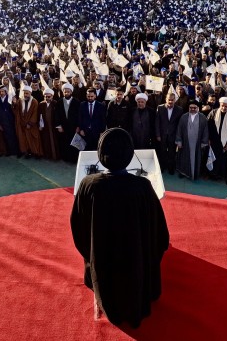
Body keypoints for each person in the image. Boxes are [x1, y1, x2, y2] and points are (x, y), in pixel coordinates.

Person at [70, 128, 169, 328]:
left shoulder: (89, 185)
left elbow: (78, 227)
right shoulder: (142, 187)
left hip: (103, 260)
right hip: (136, 262)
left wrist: (90, 257)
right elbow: (159, 231)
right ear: (130, 154)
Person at [175, 100, 209, 180]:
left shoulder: (203, 117)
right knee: (184, 158)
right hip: (185, 143)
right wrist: (179, 141)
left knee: (196, 159)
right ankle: (183, 172)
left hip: (197, 144)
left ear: (198, 108)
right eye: (191, 107)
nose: (193, 109)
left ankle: (195, 173)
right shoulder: (184, 117)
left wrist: (204, 142)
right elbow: (179, 129)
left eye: (195, 108)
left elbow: (205, 131)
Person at [155, 92, 183, 175]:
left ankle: (171, 168)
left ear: (175, 100)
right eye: (169, 100)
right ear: (166, 99)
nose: (170, 101)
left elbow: (179, 125)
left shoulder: (179, 110)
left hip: (173, 135)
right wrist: (158, 135)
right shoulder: (160, 108)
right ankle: (162, 167)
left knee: (172, 152)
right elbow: (157, 122)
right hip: (162, 135)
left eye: (172, 100)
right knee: (162, 152)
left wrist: (178, 137)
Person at [206, 97, 227, 180]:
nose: (224, 108)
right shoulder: (213, 112)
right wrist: (208, 139)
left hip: (224, 142)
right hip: (213, 140)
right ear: (220, 105)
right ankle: (210, 174)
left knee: (221, 159)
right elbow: (207, 127)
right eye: (222, 106)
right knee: (211, 157)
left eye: (226, 106)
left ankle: (219, 175)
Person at [15, 85, 42, 159]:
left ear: (30, 93)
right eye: (24, 93)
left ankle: (36, 153)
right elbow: (16, 111)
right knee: (24, 140)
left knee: (34, 139)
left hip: (31, 125)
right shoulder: (20, 101)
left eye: (27, 93)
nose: (25, 95)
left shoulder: (34, 101)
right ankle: (27, 153)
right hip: (22, 124)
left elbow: (35, 114)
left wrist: (30, 123)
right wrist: (14, 104)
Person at [38, 88, 60, 160]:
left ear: (52, 96)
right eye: (45, 96)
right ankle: (48, 156)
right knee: (46, 141)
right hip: (45, 127)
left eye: (48, 96)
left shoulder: (55, 103)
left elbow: (58, 116)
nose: (47, 98)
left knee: (55, 141)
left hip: (54, 127)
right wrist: (41, 125)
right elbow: (40, 116)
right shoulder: (41, 104)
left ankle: (55, 156)